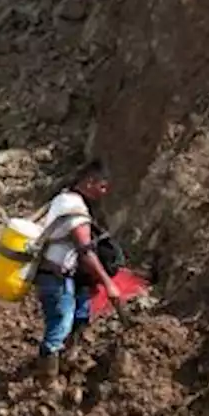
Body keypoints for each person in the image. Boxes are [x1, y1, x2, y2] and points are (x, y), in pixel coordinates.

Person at [33, 159, 127, 385]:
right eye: (102, 186)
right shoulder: (73, 207)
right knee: (61, 322)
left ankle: (67, 360)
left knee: (80, 316)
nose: (104, 192)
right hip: (55, 277)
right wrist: (108, 283)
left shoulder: (63, 199)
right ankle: (47, 382)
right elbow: (85, 250)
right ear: (89, 182)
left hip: (66, 276)